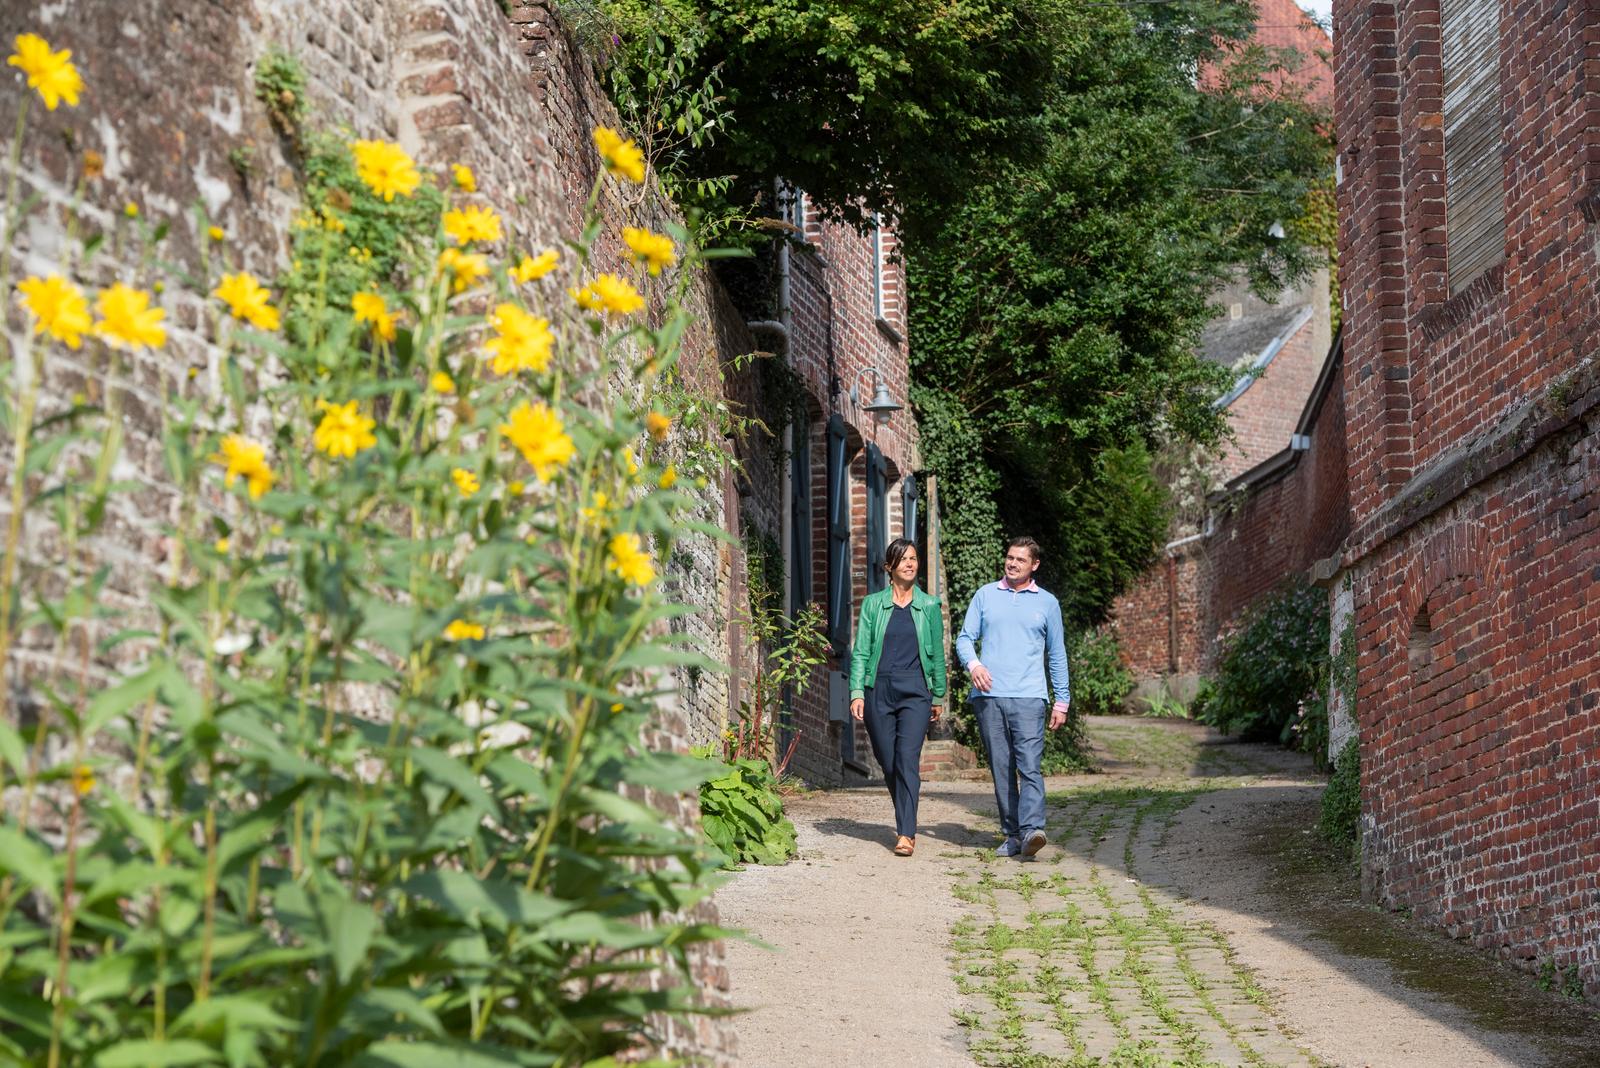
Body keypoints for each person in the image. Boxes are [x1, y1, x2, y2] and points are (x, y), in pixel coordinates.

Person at [955, 536, 1070, 859]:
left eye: (1020, 559)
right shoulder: (985, 595)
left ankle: (1032, 828)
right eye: (1009, 557)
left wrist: (1062, 700)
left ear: (1034, 565)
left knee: (1029, 766)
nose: (1012, 563)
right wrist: (974, 664)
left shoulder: (1047, 603)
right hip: (989, 697)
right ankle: (1013, 835)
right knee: (1001, 767)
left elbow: (1057, 654)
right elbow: (965, 639)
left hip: (1030, 698)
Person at [849, 538, 947, 857]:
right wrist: (856, 692)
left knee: (907, 758)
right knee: (888, 760)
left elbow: (937, 655)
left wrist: (938, 695)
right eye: (903, 559)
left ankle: (906, 831)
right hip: (879, 688)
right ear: (889, 567)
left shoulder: (929, 606)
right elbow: (862, 650)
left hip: (916, 691)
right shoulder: (873, 605)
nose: (910, 563)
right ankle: (906, 816)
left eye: (914, 558)